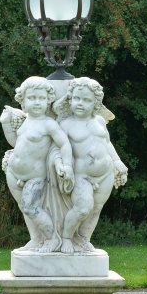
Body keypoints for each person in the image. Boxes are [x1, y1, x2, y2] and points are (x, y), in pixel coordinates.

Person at [54, 77, 128, 253]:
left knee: (96, 209)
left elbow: (107, 143)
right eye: (76, 98)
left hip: (105, 173)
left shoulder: (99, 121)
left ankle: (84, 239)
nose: (80, 103)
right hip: (82, 175)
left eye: (87, 100)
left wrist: (117, 161)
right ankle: (66, 237)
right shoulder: (65, 124)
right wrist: (62, 166)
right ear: (70, 99)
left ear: (95, 103)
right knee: (82, 208)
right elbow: (57, 148)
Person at [0, 76, 74, 251]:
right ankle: (35, 239)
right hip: (14, 172)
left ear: (48, 100)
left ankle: (51, 238)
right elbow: (16, 143)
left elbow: (64, 143)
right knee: (24, 208)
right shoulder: (26, 121)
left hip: (35, 176)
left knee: (30, 207)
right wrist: (5, 125)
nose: (37, 102)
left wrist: (67, 165)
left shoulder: (48, 124)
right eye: (32, 98)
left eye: (41, 98)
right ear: (23, 101)